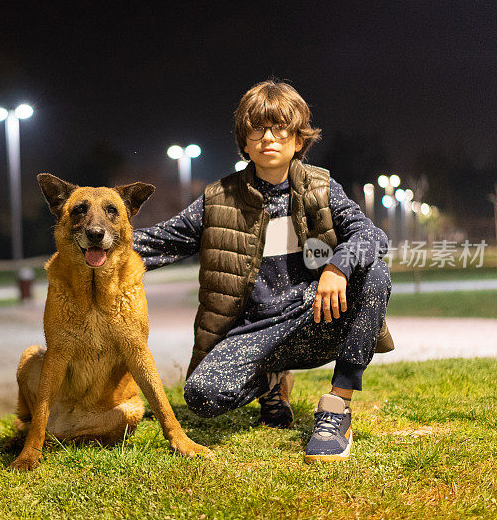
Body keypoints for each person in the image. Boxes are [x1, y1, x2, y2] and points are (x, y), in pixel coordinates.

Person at [132, 79, 392, 463]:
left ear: (298, 139)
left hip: (314, 316)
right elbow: (158, 241)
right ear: (245, 141)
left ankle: (337, 406)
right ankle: (271, 382)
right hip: (252, 329)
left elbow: (370, 235)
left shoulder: (321, 187)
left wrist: (337, 267)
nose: (268, 137)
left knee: (374, 274)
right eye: (257, 129)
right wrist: (95, 237)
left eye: (280, 128)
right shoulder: (218, 199)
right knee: (203, 396)